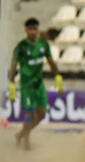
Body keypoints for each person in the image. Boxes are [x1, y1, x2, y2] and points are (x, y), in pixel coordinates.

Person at [8, 18, 63, 150]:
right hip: (27, 86)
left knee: (42, 114)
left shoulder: (43, 44)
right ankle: (26, 143)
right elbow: (13, 66)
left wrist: (58, 75)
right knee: (30, 113)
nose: (32, 32)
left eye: (34, 29)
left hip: (39, 85)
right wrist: (11, 84)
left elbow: (51, 61)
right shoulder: (21, 47)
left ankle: (21, 134)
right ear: (26, 30)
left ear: (37, 29)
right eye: (30, 29)